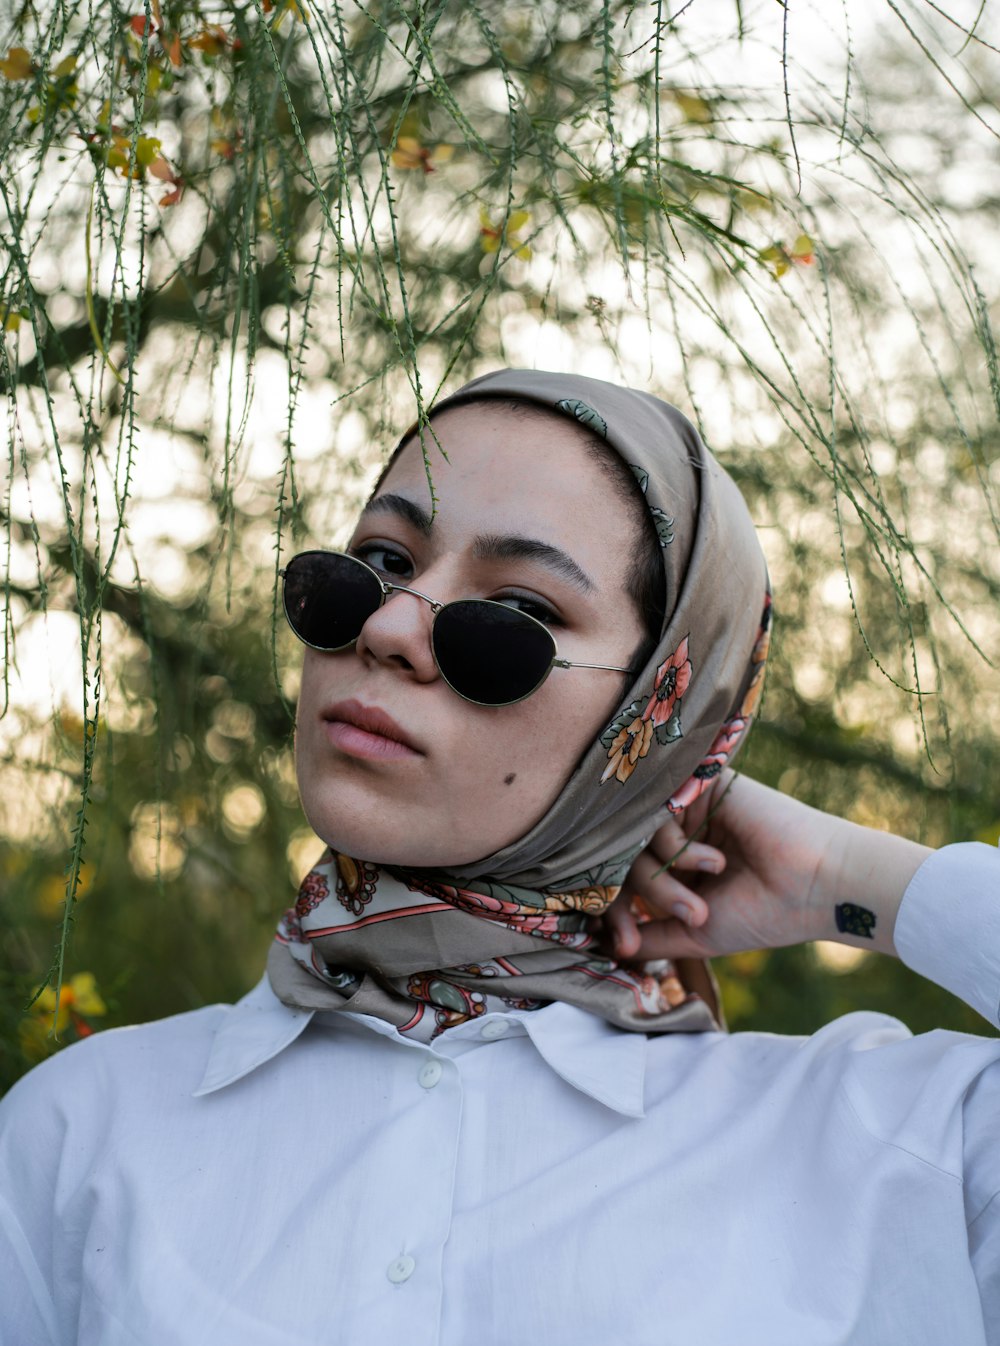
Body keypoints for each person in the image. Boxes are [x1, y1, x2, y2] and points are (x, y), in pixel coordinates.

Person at [1, 368, 998, 1345]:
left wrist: (860, 881)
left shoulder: (900, 1149)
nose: (388, 626)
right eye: (380, 561)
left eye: (516, 611)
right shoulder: (80, 1134)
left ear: (657, 708)